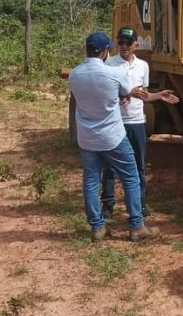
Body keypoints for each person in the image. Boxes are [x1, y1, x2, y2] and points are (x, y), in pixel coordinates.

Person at [68, 32, 160, 243]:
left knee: (91, 181)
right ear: (103, 52)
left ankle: (98, 228)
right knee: (130, 177)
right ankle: (137, 226)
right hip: (113, 136)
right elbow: (127, 92)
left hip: (88, 138)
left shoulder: (75, 75)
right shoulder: (113, 74)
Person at [100, 27, 180, 220]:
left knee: (139, 165)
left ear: (136, 44)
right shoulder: (109, 64)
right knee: (110, 165)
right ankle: (108, 204)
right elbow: (105, 93)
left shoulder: (143, 66)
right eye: (121, 42)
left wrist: (158, 96)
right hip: (116, 121)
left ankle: (139, 203)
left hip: (136, 122)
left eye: (128, 43)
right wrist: (123, 95)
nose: (124, 46)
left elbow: (143, 95)